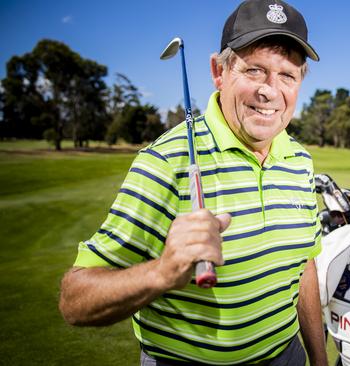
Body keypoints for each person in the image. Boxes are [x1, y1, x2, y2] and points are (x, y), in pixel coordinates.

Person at [58, 1, 327, 365]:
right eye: (255, 70)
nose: (270, 90)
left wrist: (319, 358)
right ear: (219, 71)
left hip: (286, 355)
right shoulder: (165, 162)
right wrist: (162, 272)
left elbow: (304, 264)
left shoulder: (300, 160)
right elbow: (74, 300)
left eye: (287, 76)